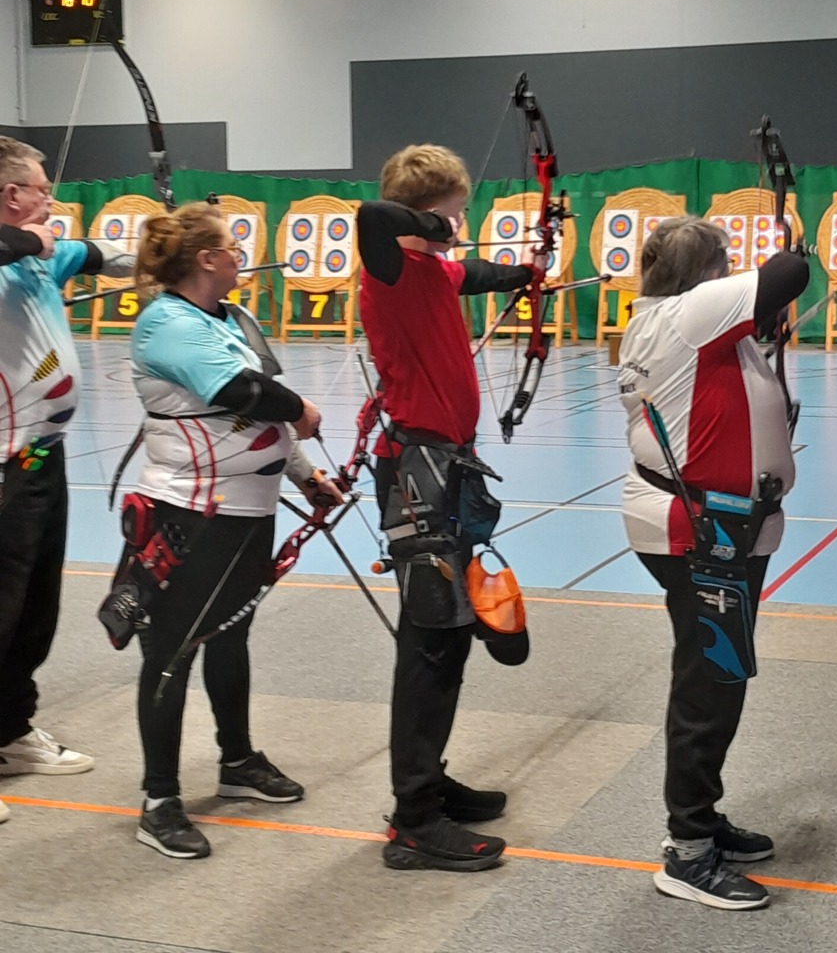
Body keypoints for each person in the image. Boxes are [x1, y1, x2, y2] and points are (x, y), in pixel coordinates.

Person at [127, 201, 341, 859]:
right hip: (189, 513)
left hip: (248, 511)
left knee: (229, 634)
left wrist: (305, 475)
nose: (241, 256)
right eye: (232, 247)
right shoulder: (166, 322)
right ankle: (159, 800)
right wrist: (302, 408)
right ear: (207, 259)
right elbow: (242, 394)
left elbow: (262, 416)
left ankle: (237, 760)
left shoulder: (228, 317)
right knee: (172, 650)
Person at [357, 143, 542, 873]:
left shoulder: (435, 272)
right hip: (418, 477)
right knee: (430, 641)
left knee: (452, 631)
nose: (460, 227)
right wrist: (433, 227)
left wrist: (527, 272)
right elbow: (373, 216)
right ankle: (414, 819)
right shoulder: (391, 271)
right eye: (452, 214)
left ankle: (428, 782)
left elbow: (477, 274)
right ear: (425, 215)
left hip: (447, 472)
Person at [617, 216, 809, 911]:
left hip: (718, 526)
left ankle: (703, 817)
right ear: (703, 270)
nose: (732, 269)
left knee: (718, 676)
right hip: (698, 530)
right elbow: (790, 272)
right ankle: (689, 850)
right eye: (724, 259)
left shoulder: (677, 318)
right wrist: (792, 244)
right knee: (708, 683)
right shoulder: (690, 312)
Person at [0, 135, 136, 816]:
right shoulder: (14, 257)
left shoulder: (40, 259)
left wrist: (169, 250)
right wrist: (36, 242)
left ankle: (9, 729)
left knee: (34, 608)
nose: (51, 199)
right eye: (41, 188)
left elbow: (104, 256)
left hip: (41, 458)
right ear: (11, 195)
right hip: (5, 464)